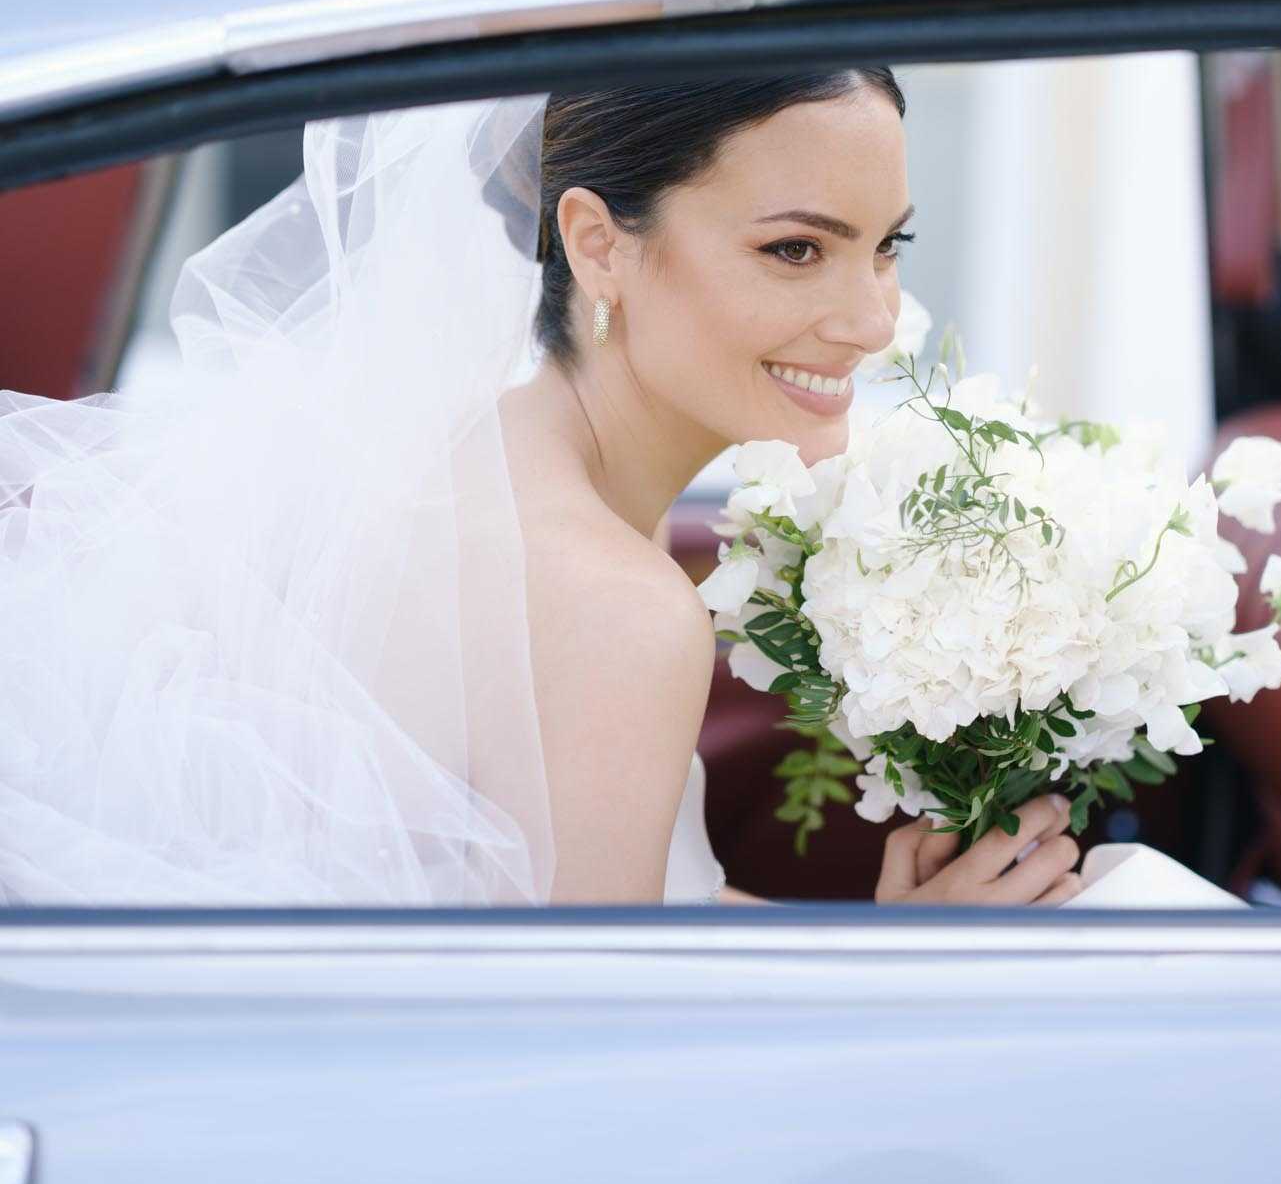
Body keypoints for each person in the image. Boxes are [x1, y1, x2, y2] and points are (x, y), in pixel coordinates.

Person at [0, 71, 1080, 908]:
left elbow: (626, 912)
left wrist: (886, 950)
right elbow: (598, 1060)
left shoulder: (484, 460)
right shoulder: (615, 604)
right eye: (797, 249)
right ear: (597, 246)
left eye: (887, 246)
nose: (873, 318)